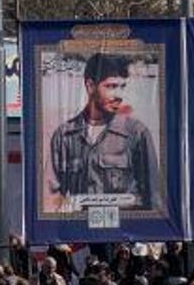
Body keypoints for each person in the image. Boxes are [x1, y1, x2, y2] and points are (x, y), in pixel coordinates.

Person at [48, 53, 159, 210]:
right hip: (79, 225)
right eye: (111, 86)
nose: (119, 95)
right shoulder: (64, 136)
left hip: (124, 225)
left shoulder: (137, 134)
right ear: (90, 86)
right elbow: (50, 197)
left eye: (122, 87)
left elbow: (153, 199)